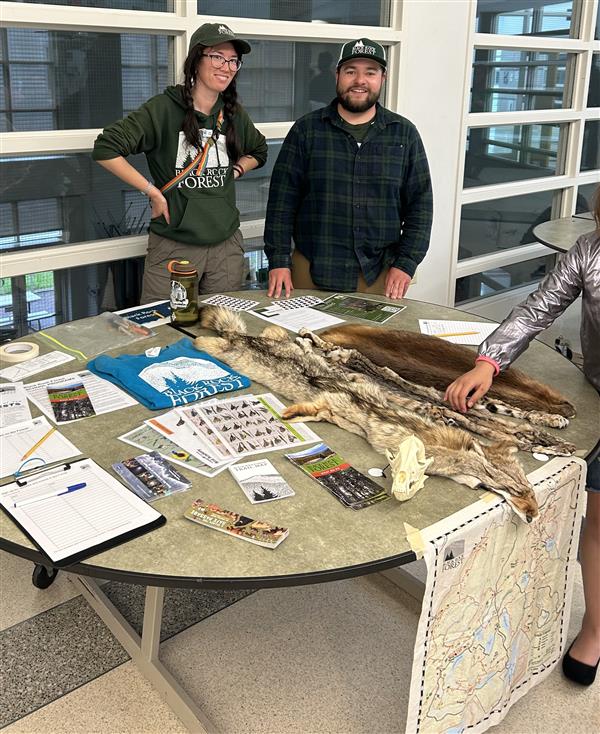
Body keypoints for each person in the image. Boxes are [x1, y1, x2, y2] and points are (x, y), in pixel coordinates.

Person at [445, 186, 600, 686]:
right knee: (599, 520)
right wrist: (488, 363)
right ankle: (596, 628)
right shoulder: (589, 250)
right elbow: (537, 310)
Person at [92, 23, 267, 303]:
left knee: (223, 323)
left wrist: (236, 170)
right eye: (217, 57)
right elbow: (106, 148)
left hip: (226, 247)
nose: (226, 67)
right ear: (196, 60)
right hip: (175, 246)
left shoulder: (233, 113)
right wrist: (151, 191)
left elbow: (259, 150)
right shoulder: (163, 109)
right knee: (167, 322)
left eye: (233, 60)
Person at [264, 38, 433, 300]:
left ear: (383, 78)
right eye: (351, 71)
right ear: (338, 75)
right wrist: (278, 260)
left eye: (370, 72)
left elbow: (420, 207)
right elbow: (282, 202)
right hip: (311, 267)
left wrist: (406, 263)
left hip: (379, 272)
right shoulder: (306, 131)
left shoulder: (404, 135)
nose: (360, 80)